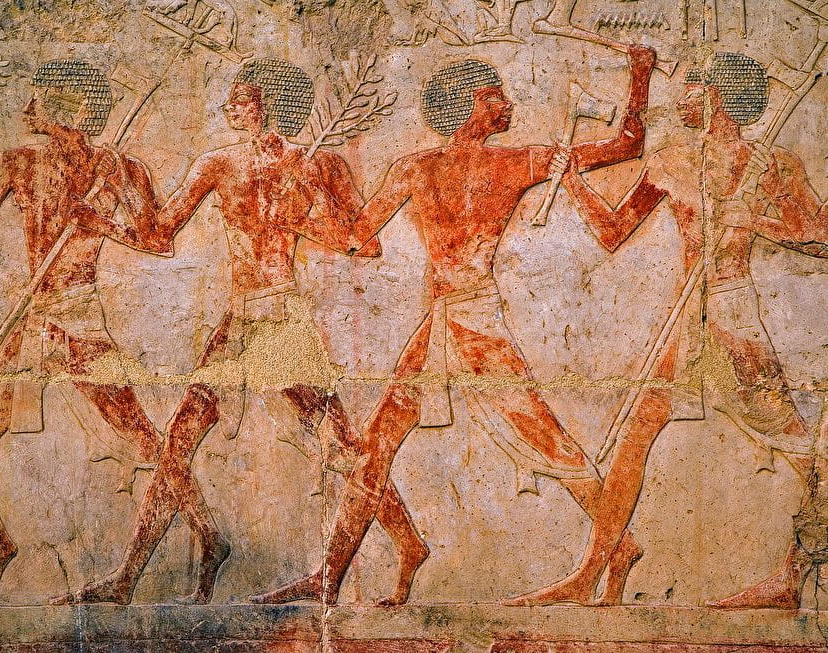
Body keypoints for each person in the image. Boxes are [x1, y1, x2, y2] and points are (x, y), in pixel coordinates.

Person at [253, 46, 658, 605]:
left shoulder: (439, 166)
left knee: (545, 439)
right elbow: (356, 239)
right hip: (447, 323)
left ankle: (620, 543)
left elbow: (351, 237)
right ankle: (330, 578)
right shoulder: (499, 163)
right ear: (468, 105)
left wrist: (302, 214)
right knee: (377, 445)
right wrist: (639, 76)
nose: (507, 104)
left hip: (473, 322)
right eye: (494, 96)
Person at [55, 59, 428, 606]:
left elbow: (364, 243)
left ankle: (407, 543)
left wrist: (305, 220)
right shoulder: (217, 164)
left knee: (342, 447)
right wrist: (107, 216)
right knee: (180, 439)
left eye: (242, 97)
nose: (229, 104)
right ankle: (127, 577)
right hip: (238, 320)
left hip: (281, 319)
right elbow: (159, 235)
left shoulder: (318, 164)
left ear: (269, 105)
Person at [511, 51, 826, 607]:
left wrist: (755, 220)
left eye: (695, 87)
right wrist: (573, 182)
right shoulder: (676, 160)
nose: (682, 98)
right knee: (636, 435)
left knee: (798, 447)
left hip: (730, 316)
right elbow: (614, 229)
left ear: (718, 97)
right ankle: (593, 572)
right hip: (685, 320)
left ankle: (793, 576)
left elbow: (818, 235)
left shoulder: (772, 163)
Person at [0, 59, 221, 607]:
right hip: (33, 323)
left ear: (71, 107)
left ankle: (207, 534)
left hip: (80, 322)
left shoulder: (120, 169)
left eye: (39, 96)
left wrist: (103, 225)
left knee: (144, 440)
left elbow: (159, 241)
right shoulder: (19, 163)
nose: (27, 108)